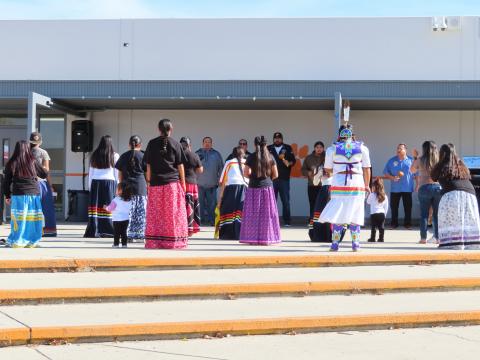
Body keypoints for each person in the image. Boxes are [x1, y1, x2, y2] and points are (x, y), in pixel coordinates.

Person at [319, 124, 371, 252]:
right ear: (352, 134)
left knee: (338, 211)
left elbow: (327, 168)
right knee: (356, 211)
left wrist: (340, 165)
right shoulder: (363, 148)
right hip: (356, 182)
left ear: (340, 134)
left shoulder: (332, 149)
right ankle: (355, 243)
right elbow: (366, 169)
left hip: (339, 182)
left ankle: (335, 243)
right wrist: (367, 185)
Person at [144, 119, 189, 249]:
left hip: (155, 183)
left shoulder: (151, 143)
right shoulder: (175, 143)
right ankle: (173, 241)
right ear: (171, 129)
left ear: (158, 129)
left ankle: (154, 241)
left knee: (155, 213)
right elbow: (180, 165)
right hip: (172, 184)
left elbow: (148, 164)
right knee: (173, 213)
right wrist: (184, 183)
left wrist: (148, 181)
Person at [431, 143, 480, 250]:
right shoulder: (462, 165)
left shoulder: (441, 166)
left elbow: (433, 177)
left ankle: (454, 244)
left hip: (452, 194)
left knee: (451, 219)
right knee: (467, 219)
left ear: (441, 154)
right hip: (470, 195)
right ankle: (471, 243)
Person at [1, 140, 47, 248]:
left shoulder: (12, 163)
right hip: (33, 194)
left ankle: (17, 240)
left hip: (19, 194)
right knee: (32, 219)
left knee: (19, 219)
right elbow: (44, 174)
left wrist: (7, 196)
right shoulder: (33, 161)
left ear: (16, 149)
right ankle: (32, 241)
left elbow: (6, 182)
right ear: (28, 149)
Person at [239, 136, 281, 245]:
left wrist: (254, 178)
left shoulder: (251, 157)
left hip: (253, 188)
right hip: (267, 188)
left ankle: (251, 239)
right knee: (267, 215)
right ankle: (267, 238)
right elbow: (276, 174)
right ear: (266, 145)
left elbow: (245, 173)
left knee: (253, 214)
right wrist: (266, 179)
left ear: (254, 145)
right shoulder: (270, 156)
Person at [115, 135, 147, 242]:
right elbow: (147, 173)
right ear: (140, 145)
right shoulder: (143, 156)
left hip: (126, 186)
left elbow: (119, 173)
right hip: (140, 186)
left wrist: (120, 184)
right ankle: (140, 235)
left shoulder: (123, 156)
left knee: (127, 212)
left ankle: (128, 235)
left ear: (129, 145)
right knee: (140, 212)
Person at [411, 141, 442, 244]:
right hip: (437, 187)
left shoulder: (420, 160)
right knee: (436, 215)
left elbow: (412, 170)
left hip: (424, 187)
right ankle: (437, 237)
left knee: (424, 214)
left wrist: (415, 157)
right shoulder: (439, 160)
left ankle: (423, 238)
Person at [29, 132, 57, 237]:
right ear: (40, 142)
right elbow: (46, 170)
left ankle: (31, 231)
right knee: (47, 207)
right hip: (41, 183)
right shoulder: (43, 152)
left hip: (29, 183)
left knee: (32, 208)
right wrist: (50, 185)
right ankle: (49, 231)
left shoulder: (25, 153)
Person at [218, 146, 248, 240]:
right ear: (243, 154)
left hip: (231, 189)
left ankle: (228, 234)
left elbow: (222, 181)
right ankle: (241, 234)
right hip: (244, 189)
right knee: (241, 212)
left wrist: (220, 197)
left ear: (233, 153)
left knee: (229, 211)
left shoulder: (229, 162)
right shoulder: (247, 162)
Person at [383, 144, 416, 229]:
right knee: (394, 207)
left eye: (400, 148)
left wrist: (418, 185)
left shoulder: (411, 160)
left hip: (407, 187)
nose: (398, 150)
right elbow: (386, 172)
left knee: (408, 207)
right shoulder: (391, 160)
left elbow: (417, 173)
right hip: (395, 188)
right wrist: (392, 178)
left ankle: (407, 224)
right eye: (397, 148)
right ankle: (394, 224)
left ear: (405, 150)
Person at [268, 132, 296, 226]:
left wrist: (287, 161)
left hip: (284, 178)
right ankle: (271, 221)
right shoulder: (268, 148)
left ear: (282, 139)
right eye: (275, 138)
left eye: (279, 138)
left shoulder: (287, 148)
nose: (277, 139)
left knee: (286, 201)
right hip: (272, 179)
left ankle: (287, 221)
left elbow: (293, 161)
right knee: (271, 201)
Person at [196, 137, 223, 226]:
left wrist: (220, 179)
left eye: (209, 142)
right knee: (200, 204)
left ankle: (212, 221)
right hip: (199, 184)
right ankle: (200, 221)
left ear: (212, 143)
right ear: (202, 143)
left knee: (212, 205)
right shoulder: (197, 153)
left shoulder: (217, 154)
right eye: (205, 142)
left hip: (212, 184)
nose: (207, 143)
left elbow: (221, 168)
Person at [180, 136, 203, 236]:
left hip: (180, 183)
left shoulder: (178, 155)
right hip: (192, 183)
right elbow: (200, 170)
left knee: (181, 206)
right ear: (189, 145)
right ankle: (190, 229)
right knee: (191, 206)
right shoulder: (194, 155)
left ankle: (180, 228)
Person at [302, 141, 326, 224]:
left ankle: (323, 221)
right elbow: (303, 170)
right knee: (313, 204)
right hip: (312, 185)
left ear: (323, 148)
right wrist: (309, 173)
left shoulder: (327, 157)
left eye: (320, 147)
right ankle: (312, 221)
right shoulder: (309, 158)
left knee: (324, 204)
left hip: (324, 185)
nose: (319, 149)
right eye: (317, 147)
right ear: (314, 148)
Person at [105, 182, 133, 248]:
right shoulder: (130, 200)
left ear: (120, 191)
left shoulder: (116, 200)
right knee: (124, 232)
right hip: (126, 219)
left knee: (117, 233)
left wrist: (106, 207)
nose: (116, 190)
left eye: (117, 189)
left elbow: (110, 208)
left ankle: (116, 244)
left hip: (117, 219)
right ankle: (124, 244)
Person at [366, 178, 389, 243]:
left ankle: (372, 238)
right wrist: (385, 214)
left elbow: (368, 202)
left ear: (374, 187)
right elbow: (386, 206)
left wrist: (369, 194)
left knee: (373, 227)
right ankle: (381, 238)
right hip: (382, 213)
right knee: (381, 227)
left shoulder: (372, 194)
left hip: (374, 213)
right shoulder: (384, 196)